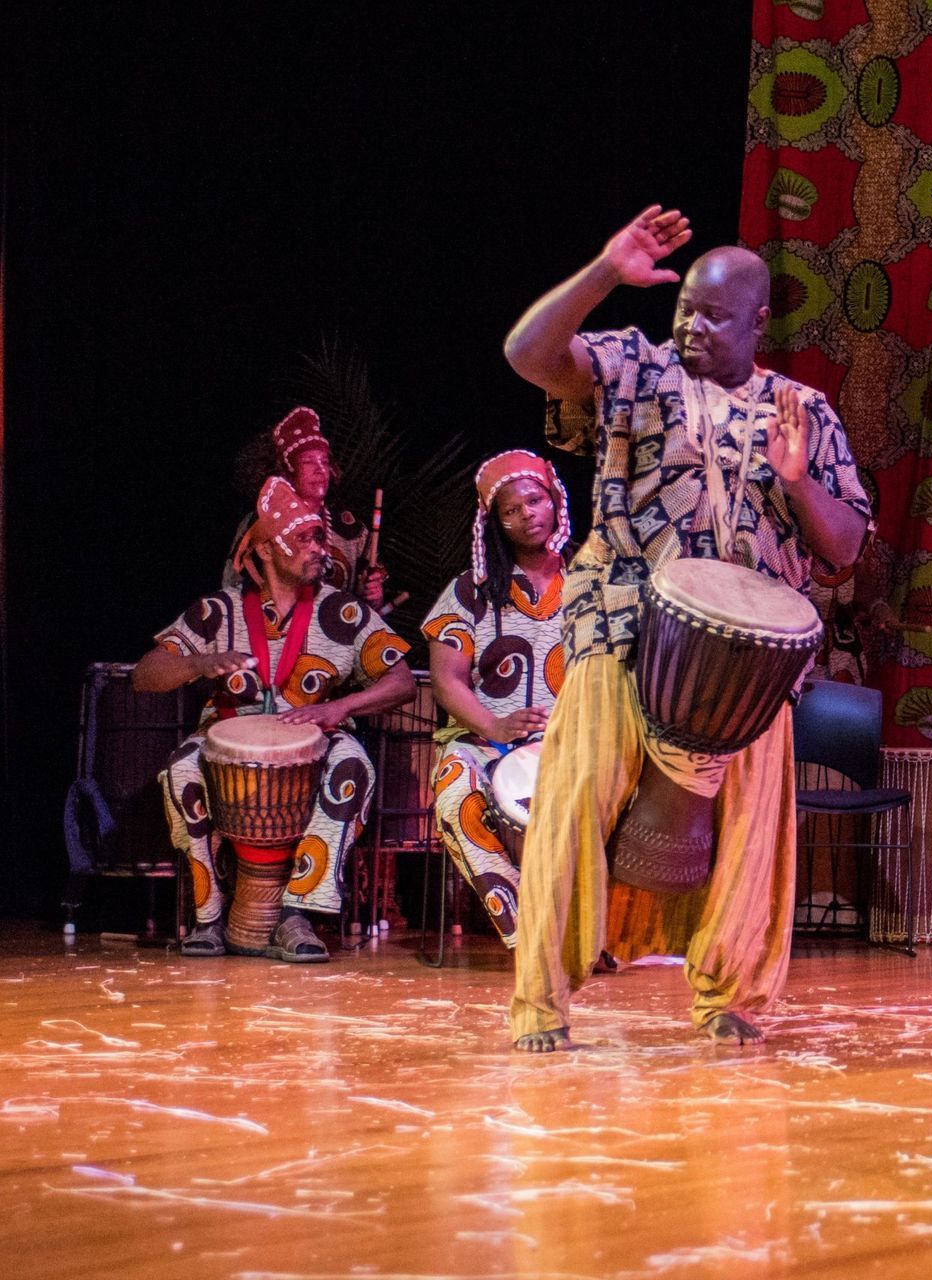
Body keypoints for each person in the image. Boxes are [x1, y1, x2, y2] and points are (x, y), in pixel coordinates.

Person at [501, 206, 871, 1051]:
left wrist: (797, 480)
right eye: (685, 310)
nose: (690, 326)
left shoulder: (800, 411)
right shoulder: (633, 367)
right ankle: (542, 1003)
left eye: (712, 315)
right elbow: (527, 356)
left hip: (753, 659)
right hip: (623, 622)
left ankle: (729, 997)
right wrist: (604, 269)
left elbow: (845, 545)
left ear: (758, 322)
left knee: (751, 833)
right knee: (576, 801)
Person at [136, 476, 416, 961]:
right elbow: (146, 673)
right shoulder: (216, 611)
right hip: (225, 741)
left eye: (320, 538)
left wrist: (339, 707)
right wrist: (197, 663)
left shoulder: (343, 612)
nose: (318, 550)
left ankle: (297, 913)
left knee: (354, 767)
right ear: (266, 549)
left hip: (319, 736)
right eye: (304, 540)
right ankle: (207, 916)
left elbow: (402, 682)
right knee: (181, 769)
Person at [420, 450, 574, 949]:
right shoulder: (470, 592)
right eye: (511, 510)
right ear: (495, 524)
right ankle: (529, 933)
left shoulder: (591, 584)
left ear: (555, 503)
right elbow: (446, 682)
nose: (527, 513)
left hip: (571, 743)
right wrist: (496, 726)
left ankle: (587, 928)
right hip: (481, 741)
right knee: (452, 795)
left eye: (535, 500)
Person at [223, 407, 388, 605]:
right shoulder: (262, 524)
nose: (320, 470)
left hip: (334, 634)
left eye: (324, 461)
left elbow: (366, 609)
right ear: (288, 469)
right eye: (308, 462)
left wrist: (371, 596)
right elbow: (232, 590)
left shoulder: (351, 531)